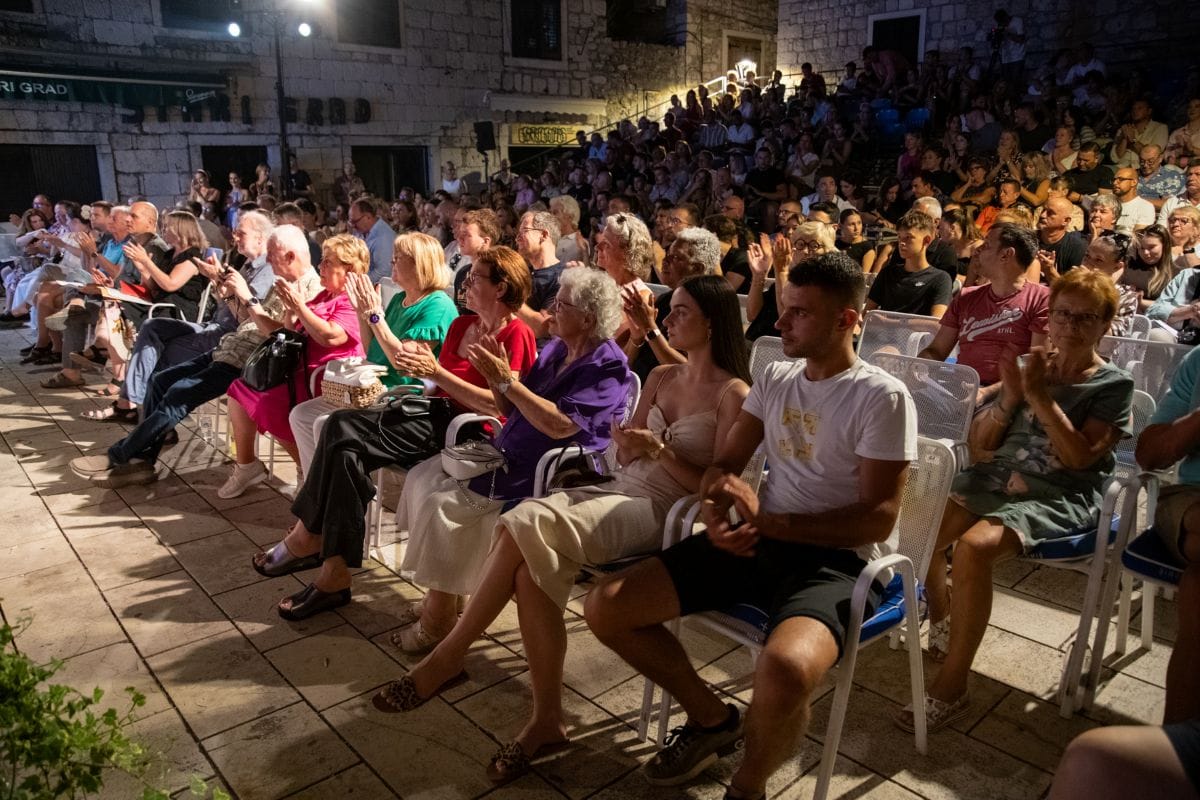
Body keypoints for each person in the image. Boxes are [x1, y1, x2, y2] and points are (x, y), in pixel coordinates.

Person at [376, 277, 750, 780]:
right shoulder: (661, 377)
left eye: (680, 312)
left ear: (712, 323)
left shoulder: (733, 394)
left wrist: (660, 450)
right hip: (618, 487)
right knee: (530, 569)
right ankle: (547, 719)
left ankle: (449, 656)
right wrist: (627, 444)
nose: (667, 319)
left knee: (524, 520)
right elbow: (622, 454)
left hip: (664, 512)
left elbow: (715, 489)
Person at [585, 252, 915, 798]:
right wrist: (715, 510)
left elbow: (877, 518)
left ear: (846, 320)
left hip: (841, 562)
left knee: (785, 669)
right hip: (761, 538)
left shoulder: (880, 396)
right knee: (606, 606)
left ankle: (748, 785)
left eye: (799, 313)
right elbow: (723, 466)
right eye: (784, 308)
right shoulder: (778, 377)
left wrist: (769, 520)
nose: (779, 323)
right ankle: (712, 719)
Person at [250, 247, 537, 620]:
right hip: (433, 413)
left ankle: (313, 542)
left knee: (340, 429)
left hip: (469, 432)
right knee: (344, 446)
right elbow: (432, 386)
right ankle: (332, 570)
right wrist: (418, 375)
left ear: (501, 288)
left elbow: (501, 408)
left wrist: (434, 373)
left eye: (475, 278)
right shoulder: (462, 326)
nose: (465, 284)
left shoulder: (517, 334)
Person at [908, 268, 1133, 727]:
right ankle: (944, 613)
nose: (1069, 326)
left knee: (974, 548)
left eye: (1085, 317)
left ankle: (953, 685)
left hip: (1060, 492)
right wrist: (1010, 398)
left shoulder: (1113, 386)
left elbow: (1078, 458)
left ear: (1105, 325)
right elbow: (981, 443)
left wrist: (1040, 398)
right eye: (1062, 314)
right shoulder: (1033, 368)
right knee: (921, 525)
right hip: (995, 477)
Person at [380, 267, 638, 656]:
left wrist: (508, 382)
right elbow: (508, 406)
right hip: (509, 447)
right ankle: (447, 594)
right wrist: (496, 378)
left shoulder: (607, 365)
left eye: (561, 304)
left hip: (551, 465)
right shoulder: (556, 348)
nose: (551, 309)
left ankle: (438, 617)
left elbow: (560, 426)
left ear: (588, 319)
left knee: (444, 505)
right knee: (421, 477)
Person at [68, 225, 321, 487]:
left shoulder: (309, 289)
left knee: (178, 393)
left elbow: (282, 337)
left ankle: (120, 455)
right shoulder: (284, 281)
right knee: (160, 381)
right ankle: (143, 459)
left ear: (290, 256)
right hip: (231, 348)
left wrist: (247, 296)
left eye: (272, 255)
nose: (268, 260)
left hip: (250, 362)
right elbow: (247, 320)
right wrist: (226, 290)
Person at [288, 231, 457, 474]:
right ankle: (315, 482)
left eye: (398, 257)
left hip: (399, 396)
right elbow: (372, 352)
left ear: (419, 264)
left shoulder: (437, 305)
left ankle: (333, 489)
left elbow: (402, 363)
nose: (391, 261)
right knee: (301, 415)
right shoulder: (400, 299)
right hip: (372, 388)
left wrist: (375, 316)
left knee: (324, 424)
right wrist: (362, 312)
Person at [217, 234, 367, 498]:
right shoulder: (324, 295)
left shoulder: (350, 300)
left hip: (328, 379)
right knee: (239, 390)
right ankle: (247, 466)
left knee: (266, 401)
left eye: (328, 262)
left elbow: (330, 337)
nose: (320, 266)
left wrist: (299, 307)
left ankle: (306, 469)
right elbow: (290, 333)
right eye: (322, 260)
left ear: (349, 269)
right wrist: (290, 310)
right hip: (299, 370)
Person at [920, 223, 1050, 405]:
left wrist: (986, 393)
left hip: (1007, 398)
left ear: (1006, 254)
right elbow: (937, 351)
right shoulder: (966, 297)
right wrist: (920, 366)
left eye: (987, 244)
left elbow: (1037, 368)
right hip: (956, 391)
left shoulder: (1042, 299)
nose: (977, 250)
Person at [626, 226, 721, 381]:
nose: (665, 261)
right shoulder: (664, 300)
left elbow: (689, 372)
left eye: (676, 257)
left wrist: (649, 328)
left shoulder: (707, 310)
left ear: (697, 268)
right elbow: (627, 364)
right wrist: (636, 338)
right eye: (667, 254)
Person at [745, 221, 835, 341]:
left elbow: (788, 321)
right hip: (756, 343)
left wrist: (781, 271)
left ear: (827, 250)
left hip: (783, 348)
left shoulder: (824, 287)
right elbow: (752, 315)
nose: (805, 251)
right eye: (800, 244)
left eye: (814, 246)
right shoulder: (786, 281)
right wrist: (758, 276)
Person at [865, 210, 953, 318]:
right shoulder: (887, 273)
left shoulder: (940, 279)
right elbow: (867, 314)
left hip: (917, 330)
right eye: (899, 237)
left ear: (926, 240)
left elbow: (936, 321)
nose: (901, 243)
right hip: (881, 329)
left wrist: (886, 321)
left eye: (908, 237)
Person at [513, 210, 564, 342]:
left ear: (544, 235)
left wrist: (509, 299)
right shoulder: (523, 274)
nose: (517, 238)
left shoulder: (562, 277)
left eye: (524, 231)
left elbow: (544, 328)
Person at [1079, 231, 1140, 336]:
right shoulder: (1072, 285)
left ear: (1117, 267)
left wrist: (1091, 290)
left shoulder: (1126, 296)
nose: (1088, 263)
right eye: (1087, 256)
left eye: (1098, 260)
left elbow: (1115, 334)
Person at [1123, 225, 1175, 312]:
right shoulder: (1129, 264)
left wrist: (1141, 302)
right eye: (1142, 248)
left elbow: (1173, 307)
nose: (1145, 252)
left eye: (1151, 247)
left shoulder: (1175, 272)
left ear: (1165, 246)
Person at [1037, 197, 1088, 281]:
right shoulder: (1027, 239)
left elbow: (1073, 287)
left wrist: (1050, 271)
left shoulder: (1076, 247)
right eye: (1043, 210)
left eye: (1050, 213)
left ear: (1065, 221)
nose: (1042, 215)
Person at [348, 198, 395, 283]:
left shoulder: (383, 237)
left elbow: (383, 273)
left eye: (355, 221)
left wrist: (357, 282)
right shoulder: (361, 231)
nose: (353, 226)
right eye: (351, 222)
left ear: (368, 217)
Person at [1111, 167, 1156, 233]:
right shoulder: (1108, 203)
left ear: (1134, 182)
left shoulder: (1145, 207)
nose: (1115, 183)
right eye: (1114, 179)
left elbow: (1138, 236)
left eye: (1121, 179)